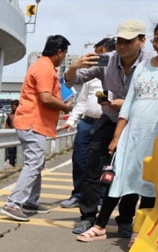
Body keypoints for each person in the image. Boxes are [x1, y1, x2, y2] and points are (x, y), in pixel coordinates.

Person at [76, 17, 158, 245]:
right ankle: (99, 226)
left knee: (148, 185)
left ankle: (139, 230)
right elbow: (129, 103)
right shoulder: (144, 66)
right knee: (118, 180)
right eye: (156, 40)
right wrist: (117, 135)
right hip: (131, 134)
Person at [64, 19, 147, 235]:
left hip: (138, 124)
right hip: (109, 120)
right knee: (92, 167)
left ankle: (125, 219)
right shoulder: (106, 60)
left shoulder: (152, 62)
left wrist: (128, 103)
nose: (122, 46)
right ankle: (88, 216)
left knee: (132, 172)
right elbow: (71, 80)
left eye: (128, 41)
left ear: (141, 41)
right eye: (119, 41)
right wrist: (73, 67)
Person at [0, 35, 75, 222]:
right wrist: (66, 107)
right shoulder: (45, 69)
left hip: (32, 122)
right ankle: (14, 203)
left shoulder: (43, 66)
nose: (64, 58)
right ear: (59, 52)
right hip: (33, 123)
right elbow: (46, 98)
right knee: (34, 163)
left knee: (36, 163)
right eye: (64, 54)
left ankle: (31, 201)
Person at [58, 37, 115, 208]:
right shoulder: (90, 75)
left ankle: (101, 199)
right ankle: (78, 194)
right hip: (86, 123)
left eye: (101, 54)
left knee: (104, 165)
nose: (97, 58)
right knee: (80, 161)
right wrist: (73, 120)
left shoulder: (119, 75)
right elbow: (81, 101)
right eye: (96, 54)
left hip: (107, 123)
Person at [4, 99, 19, 166]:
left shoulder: (23, 115)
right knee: (11, 150)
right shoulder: (10, 116)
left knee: (20, 150)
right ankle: (12, 163)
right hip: (12, 136)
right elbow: (7, 125)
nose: (12, 108)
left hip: (20, 135)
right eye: (11, 106)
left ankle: (19, 162)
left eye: (13, 106)